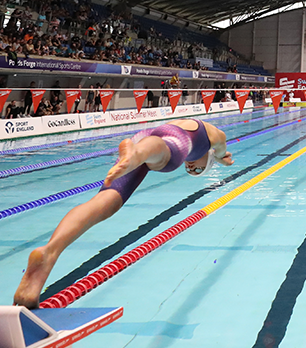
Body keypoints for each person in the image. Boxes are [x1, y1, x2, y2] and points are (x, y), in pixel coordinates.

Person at [13, 117, 234, 308]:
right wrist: (223, 158)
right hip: (158, 143)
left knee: (106, 201)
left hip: (144, 137)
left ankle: (50, 252)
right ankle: (136, 153)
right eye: (196, 168)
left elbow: (212, 154)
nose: (191, 166)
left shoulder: (192, 139)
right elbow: (222, 151)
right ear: (210, 157)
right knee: (166, 155)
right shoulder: (214, 136)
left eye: (192, 169)